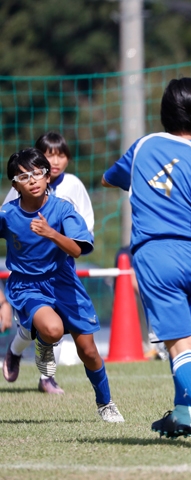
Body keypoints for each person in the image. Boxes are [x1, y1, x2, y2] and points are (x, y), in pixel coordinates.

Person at [102, 77, 191, 446]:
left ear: (164, 112)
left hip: (157, 257)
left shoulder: (143, 145)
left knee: (179, 346)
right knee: (183, 341)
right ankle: (181, 413)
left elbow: (109, 179)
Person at [1, 148, 124, 422]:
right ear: (15, 185)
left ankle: (105, 403)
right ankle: (44, 345)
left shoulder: (62, 209)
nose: (32, 180)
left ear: (47, 177)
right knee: (53, 329)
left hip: (64, 283)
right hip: (28, 286)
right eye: (24, 176)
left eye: (38, 173)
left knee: (89, 351)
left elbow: (77, 250)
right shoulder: (7, 214)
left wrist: (51, 233)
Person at [3, 131, 95, 395]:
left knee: (58, 325)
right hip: (29, 276)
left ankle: (47, 378)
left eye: (61, 155)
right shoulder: (19, 190)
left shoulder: (72, 187)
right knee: (40, 325)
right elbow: (10, 218)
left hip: (62, 267)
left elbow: (84, 228)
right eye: (49, 155)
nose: (55, 161)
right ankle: (16, 351)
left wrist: (61, 235)